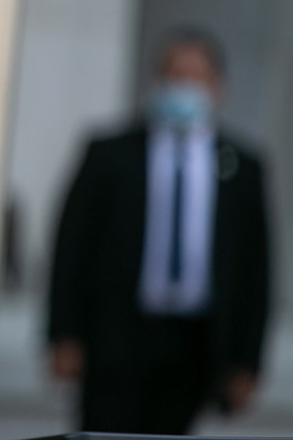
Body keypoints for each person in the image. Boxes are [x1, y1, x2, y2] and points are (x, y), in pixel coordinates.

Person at [47, 27, 271, 434]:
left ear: (217, 87)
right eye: (174, 75)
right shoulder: (109, 154)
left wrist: (247, 361)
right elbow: (72, 246)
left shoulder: (243, 166)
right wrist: (63, 333)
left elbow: (256, 269)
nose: (183, 88)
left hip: (194, 342)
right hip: (117, 335)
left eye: (195, 77)